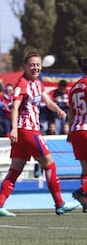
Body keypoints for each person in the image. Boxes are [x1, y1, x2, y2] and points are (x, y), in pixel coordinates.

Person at [0, 52, 79, 217]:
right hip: (27, 130)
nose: (36, 67)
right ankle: (60, 203)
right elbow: (14, 107)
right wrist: (14, 129)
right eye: (32, 64)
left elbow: (48, 102)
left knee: (15, 170)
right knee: (50, 164)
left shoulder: (38, 83)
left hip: (27, 131)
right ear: (25, 66)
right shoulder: (22, 83)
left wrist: (59, 109)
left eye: (38, 64)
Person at [68, 57, 87, 212]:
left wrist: (69, 131)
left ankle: (86, 203)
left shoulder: (75, 86)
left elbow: (71, 111)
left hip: (76, 129)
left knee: (85, 169)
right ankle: (82, 192)